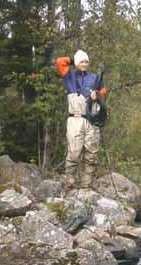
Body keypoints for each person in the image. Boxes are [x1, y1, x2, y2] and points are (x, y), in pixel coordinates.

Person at [54, 49, 106, 189]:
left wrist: (98, 97)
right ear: (77, 63)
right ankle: (70, 183)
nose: (84, 64)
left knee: (91, 154)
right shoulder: (69, 75)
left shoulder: (95, 77)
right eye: (81, 61)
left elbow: (103, 95)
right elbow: (59, 62)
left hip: (92, 121)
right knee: (74, 153)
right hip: (75, 119)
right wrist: (74, 59)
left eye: (86, 61)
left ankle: (86, 186)